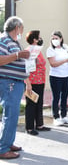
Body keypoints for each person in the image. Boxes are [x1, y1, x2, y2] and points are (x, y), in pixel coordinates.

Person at [0, 16, 30, 160]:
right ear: (17, 27)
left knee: (12, 115)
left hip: (16, 82)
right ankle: (3, 149)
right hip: (8, 82)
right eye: (21, 28)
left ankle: (8, 142)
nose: (22, 31)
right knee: (10, 115)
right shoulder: (3, 40)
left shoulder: (14, 42)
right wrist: (18, 55)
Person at [47, 31, 68, 126]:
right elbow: (53, 64)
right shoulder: (50, 50)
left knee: (64, 96)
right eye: (53, 38)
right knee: (56, 97)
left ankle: (64, 115)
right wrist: (66, 60)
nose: (55, 40)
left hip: (66, 75)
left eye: (56, 38)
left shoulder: (65, 47)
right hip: (56, 76)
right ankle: (56, 117)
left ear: (61, 39)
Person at [25, 30, 51, 136]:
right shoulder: (29, 51)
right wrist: (28, 84)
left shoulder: (37, 50)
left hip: (40, 81)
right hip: (32, 82)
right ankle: (30, 127)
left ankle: (39, 124)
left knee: (39, 103)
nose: (40, 39)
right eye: (39, 37)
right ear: (34, 39)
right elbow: (26, 68)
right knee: (31, 104)